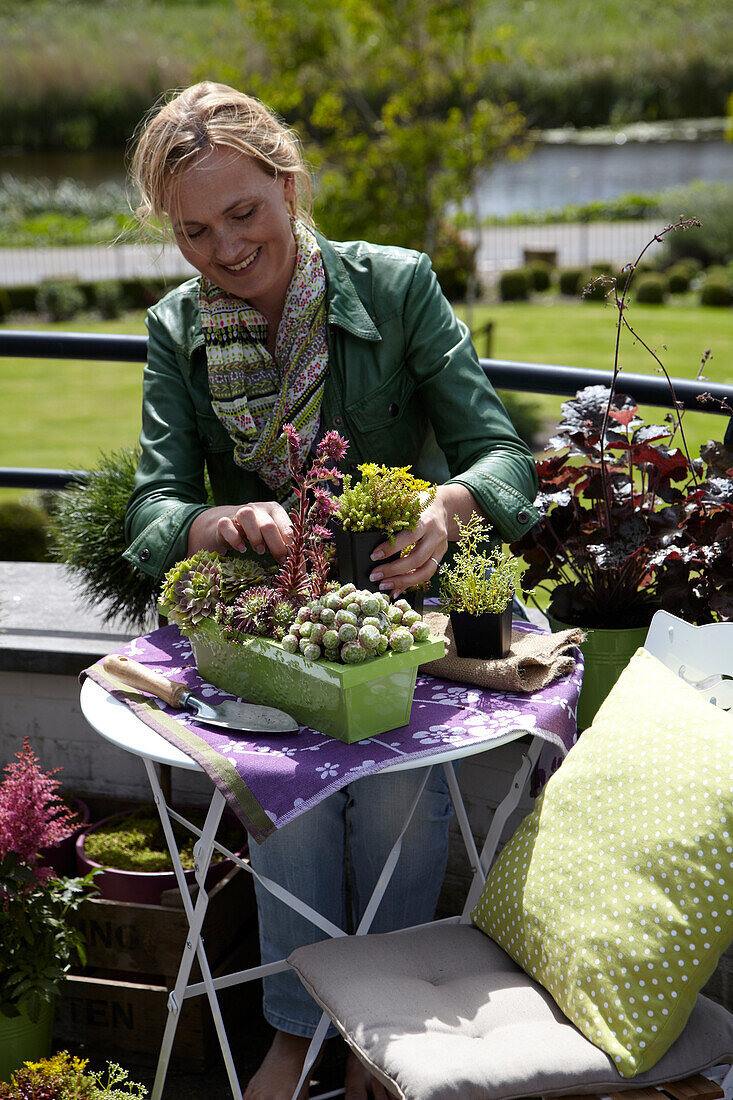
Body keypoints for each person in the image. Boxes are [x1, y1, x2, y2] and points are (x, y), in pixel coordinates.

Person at [124, 82, 539, 1100]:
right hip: (271, 637)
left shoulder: (392, 286)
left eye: (243, 213)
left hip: (401, 629)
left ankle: (379, 1035)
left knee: (394, 790)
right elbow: (150, 510)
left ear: (288, 184)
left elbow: (505, 459)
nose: (224, 249)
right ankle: (296, 1025)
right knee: (284, 799)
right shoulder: (178, 328)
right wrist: (219, 523)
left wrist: (445, 508)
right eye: (194, 231)